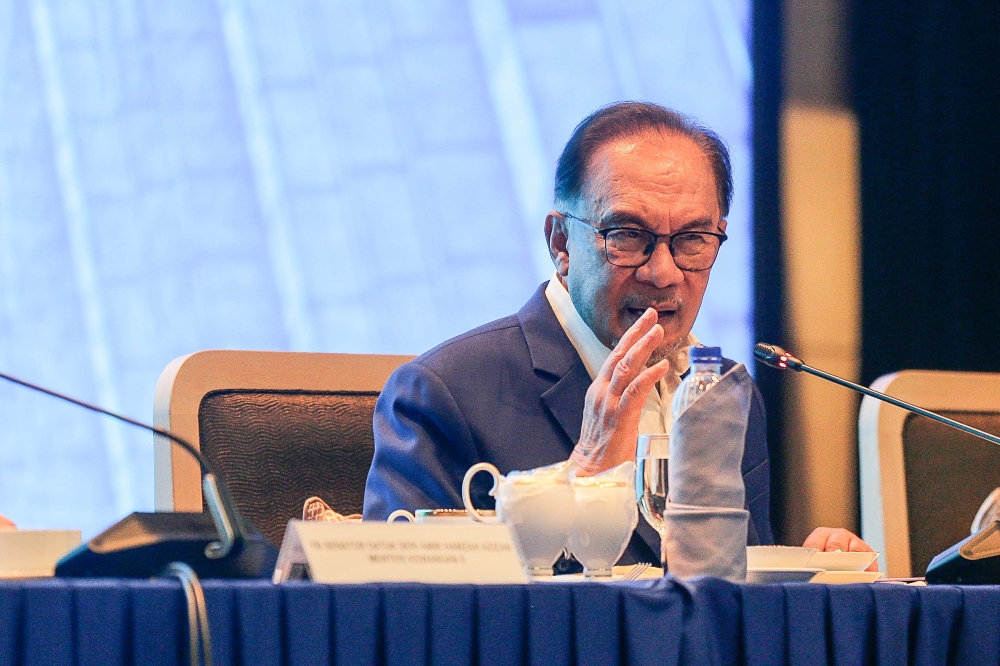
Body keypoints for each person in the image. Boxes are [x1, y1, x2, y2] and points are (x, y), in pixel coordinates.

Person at [363, 101, 871, 566]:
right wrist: (584, 479)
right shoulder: (443, 393)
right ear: (561, 243)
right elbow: (409, 616)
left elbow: (727, 600)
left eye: (693, 239)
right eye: (628, 236)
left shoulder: (724, 394)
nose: (663, 273)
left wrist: (802, 573)